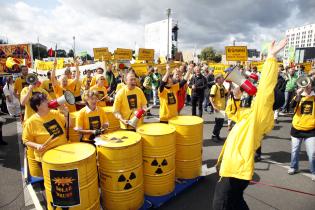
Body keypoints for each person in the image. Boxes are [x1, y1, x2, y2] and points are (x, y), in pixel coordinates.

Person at [213, 38, 288, 210]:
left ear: (269, 101)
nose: (258, 92)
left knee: (221, 205)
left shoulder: (262, 114)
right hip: (233, 168)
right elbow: (232, 113)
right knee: (236, 202)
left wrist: (271, 57)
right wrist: (237, 96)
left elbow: (266, 89)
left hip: (235, 171)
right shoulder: (252, 114)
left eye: (263, 95)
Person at [22, 93, 68, 162]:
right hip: (47, 156)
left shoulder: (55, 113)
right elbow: (26, 141)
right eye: (44, 101)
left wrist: (66, 114)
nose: (48, 101)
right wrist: (37, 145)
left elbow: (68, 125)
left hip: (64, 150)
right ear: (38, 106)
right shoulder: (31, 122)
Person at [288, 79, 315, 181]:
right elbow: (291, 106)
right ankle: (293, 167)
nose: (307, 87)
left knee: (312, 153)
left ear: (312, 86)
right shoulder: (298, 96)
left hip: (311, 130)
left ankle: (313, 171)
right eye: (305, 85)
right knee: (295, 151)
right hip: (297, 129)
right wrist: (298, 95)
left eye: (309, 85)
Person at [210, 74, 228, 142]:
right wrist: (214, 106)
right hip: (217, 108)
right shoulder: (215, 87)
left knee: (221, 123)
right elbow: (210, 97)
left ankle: (217, 135)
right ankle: (214, 135)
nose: (223, 79)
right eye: (222, 78)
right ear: (218, 79)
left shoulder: (222, 86)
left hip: (222, 108)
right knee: (218, 123)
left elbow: (226, 94)